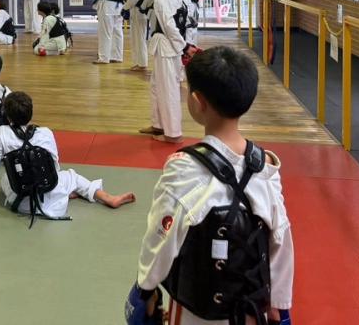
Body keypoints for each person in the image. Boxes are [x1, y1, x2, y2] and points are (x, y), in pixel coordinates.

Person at [124, 47, 293, 325]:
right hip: (253, 310)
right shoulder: (266, 167)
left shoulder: (183, 168)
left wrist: (146, 288)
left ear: (196, 101)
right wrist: (280, 304)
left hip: (195, 312)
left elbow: (161, 236)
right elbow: (280, 238)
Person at [0, 90, 134, 222]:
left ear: (7, 116)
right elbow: (54, 167)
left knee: (5, 178)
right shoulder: (45, 133)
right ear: (31, 112)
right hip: (53, 196)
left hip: (21, 203)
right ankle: (108, 197)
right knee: (71, 176)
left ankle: (66, 192)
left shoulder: (0, 135)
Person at [140, 0, 187, 143]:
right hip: (166, 47)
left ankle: (173, 133)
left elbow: (170, 27)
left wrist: (182, 48)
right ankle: (158, 124)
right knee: (156, 87)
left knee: (168, 90)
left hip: (169, 47)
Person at [122, 0, 151, 73]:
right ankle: (139, 63)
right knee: (139, 39)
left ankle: (142, 63)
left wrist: (124, 7)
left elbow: (133, 0)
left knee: (139, 40)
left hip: (139, 15)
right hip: (140, 15)